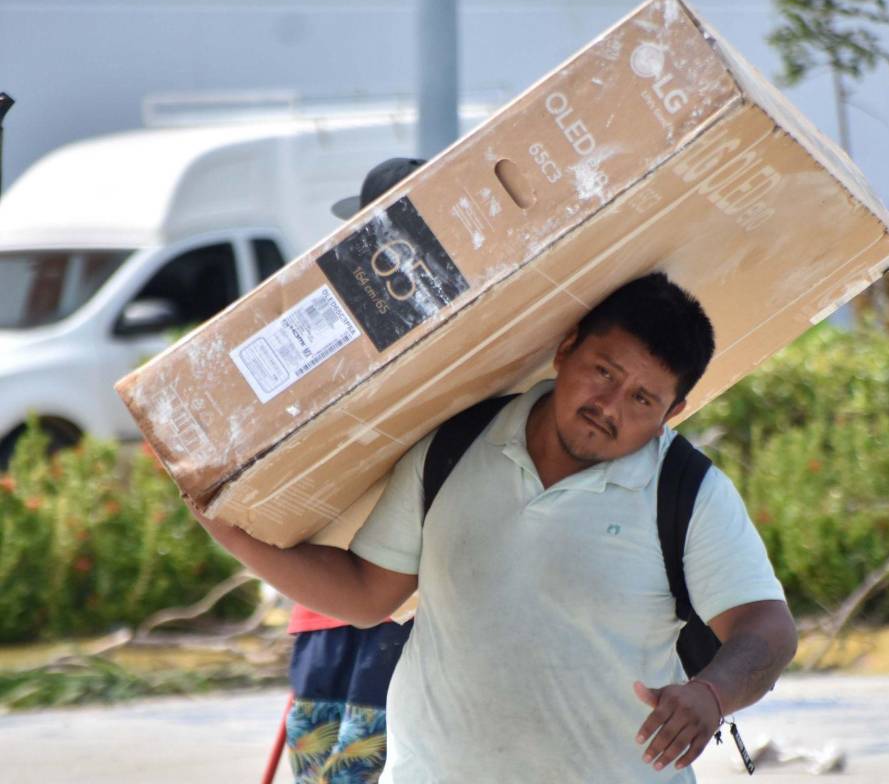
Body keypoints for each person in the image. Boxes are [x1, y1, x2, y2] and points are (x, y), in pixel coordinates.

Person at [192, 272, 797, 782]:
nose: (609, 406)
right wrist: (230, 528)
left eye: (643, 399)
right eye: (604, 372)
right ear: (566, 349)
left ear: (672, 413)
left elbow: (767, 627)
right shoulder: (455, 445)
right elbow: (364, 592)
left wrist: (711, 694)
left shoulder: (686, 491)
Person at [282, 156, 425, 784]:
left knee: (347, 767)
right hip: (353, 595)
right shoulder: (352, 321)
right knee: (344, 767)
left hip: (383, 594)